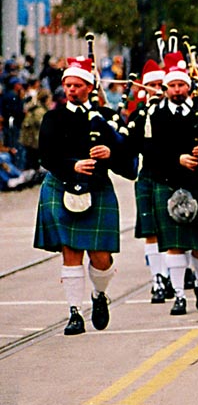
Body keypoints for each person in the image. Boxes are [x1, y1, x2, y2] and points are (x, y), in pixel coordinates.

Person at [33, 57, 134, 335]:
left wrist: (111, 153)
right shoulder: (54, 117)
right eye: (67, 85)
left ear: (89, 87)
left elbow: (129, 164)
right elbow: (46, 156)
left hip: (98, 187)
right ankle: (74, 313)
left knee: (101, 257)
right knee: (71, 251)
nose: (71, 90)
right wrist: (72, 165)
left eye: (77, 85)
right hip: (61, 186)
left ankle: (99, 295)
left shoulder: (105, 117)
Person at [140, 52, 198, 316]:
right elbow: (150, 152)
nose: (177, 90)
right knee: (175, 245)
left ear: (188, 86)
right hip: (169, 183)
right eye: (172, 86)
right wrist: (177, 159)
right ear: (165, 88)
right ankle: (179, 294)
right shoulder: (155, 116)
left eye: (181, 85)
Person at [126, 59, 175, 303]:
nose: (156, 89)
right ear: (143, 89)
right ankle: (157, 278)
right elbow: (130, 147)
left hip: (169, 175)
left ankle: (173, 274)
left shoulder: (173, 113)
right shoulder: (138, 115)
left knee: (169, 227)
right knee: (150, 230)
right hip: (147, 175)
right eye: (151, 85)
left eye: (160, 84)